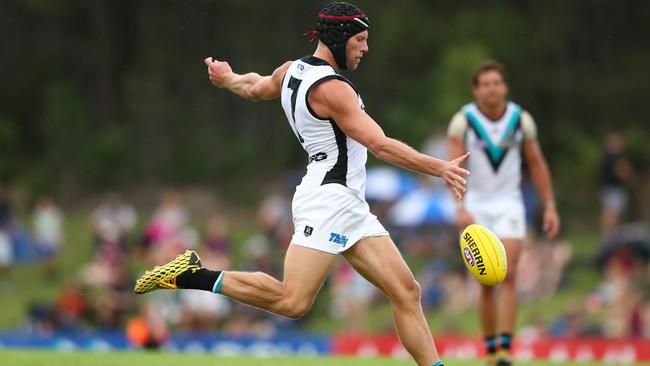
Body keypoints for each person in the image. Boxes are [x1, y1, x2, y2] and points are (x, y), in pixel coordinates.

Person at [135, 3, 469, 365]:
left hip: (347, 202)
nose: (365, 48)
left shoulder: (291, 71)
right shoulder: (332, 90)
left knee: (406, 290)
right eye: (360, 39)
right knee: (292, 301)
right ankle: (192, 275)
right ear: (339, 39)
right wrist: (440, 167)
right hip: (328, 200)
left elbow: (255, 86)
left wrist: (228, 78)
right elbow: (379, 144)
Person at [447, 60, 560, 366]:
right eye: (485, 83)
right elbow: (453, 167)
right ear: (476, 89)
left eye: (496, 82)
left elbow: (536, 163)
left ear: (505, 86)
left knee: (508, 274)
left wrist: (549, 205)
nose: (491, 88)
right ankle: (489, 348)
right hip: (475, 207)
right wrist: (459, 207)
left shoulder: (521, 120)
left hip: (510, 203)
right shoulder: (464, 121)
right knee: (486, 279)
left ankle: (506, 350)